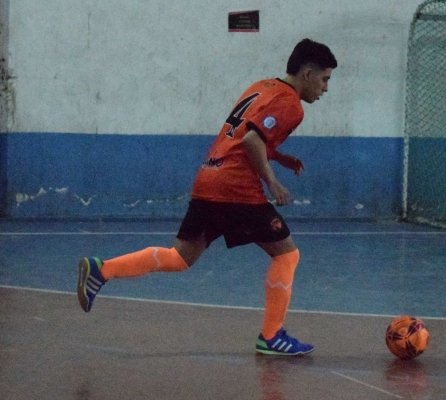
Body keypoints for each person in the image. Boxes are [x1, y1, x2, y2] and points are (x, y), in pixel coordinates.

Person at [77, 38, 337, 356]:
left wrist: (279, 157)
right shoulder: (291, 104)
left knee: (179, 257)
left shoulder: (262, 86)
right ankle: (271, 337)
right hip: (236, 190)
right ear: (307, 73)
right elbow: (252, 141)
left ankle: (102, 270)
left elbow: (245, 134)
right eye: (325, 79)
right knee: (286, 255)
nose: (325, 88)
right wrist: (273, 182)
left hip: (209, 178)